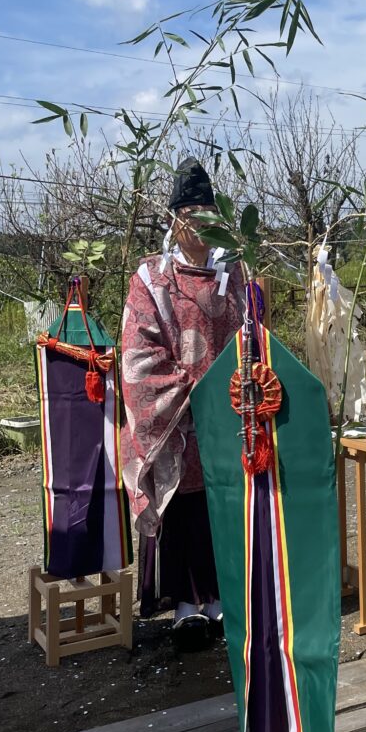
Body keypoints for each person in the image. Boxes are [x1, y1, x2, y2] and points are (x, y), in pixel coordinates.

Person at [121, 158, 244, 647]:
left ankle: (224, 598)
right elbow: (138, 353)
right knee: (184, 509)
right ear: (174, 219)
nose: (200, 225)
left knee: (224, 506)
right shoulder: (153, 278)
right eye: (190, 214)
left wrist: (237, 385)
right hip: (177, 418)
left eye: (208, 214)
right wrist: (189, 386)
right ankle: (186, 603)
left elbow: (251, 335)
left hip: (228, 415)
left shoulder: (234, 273)